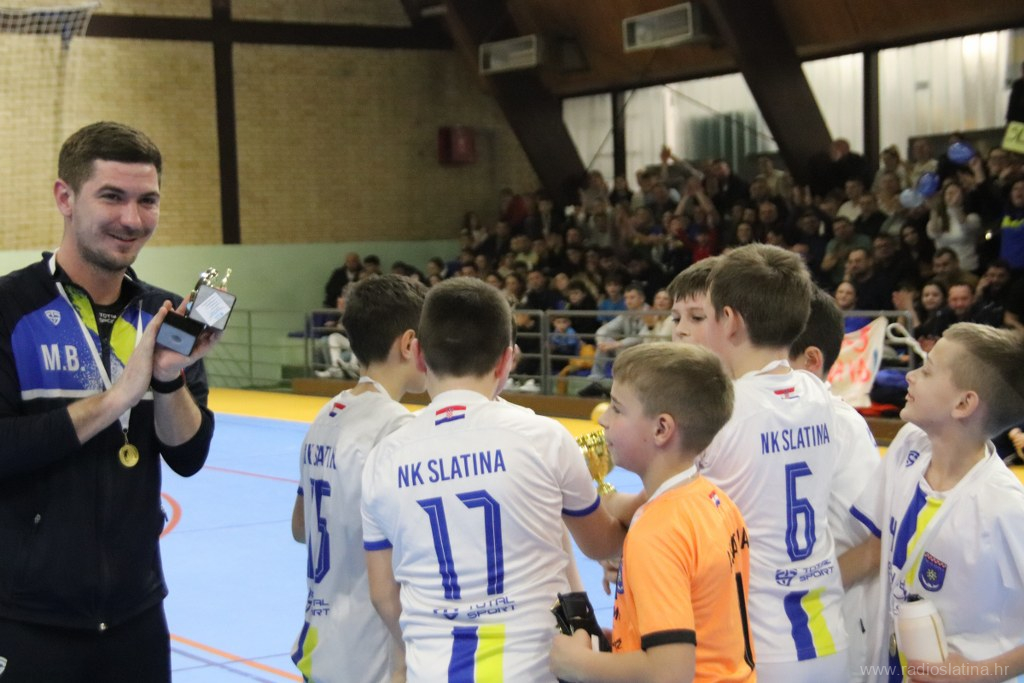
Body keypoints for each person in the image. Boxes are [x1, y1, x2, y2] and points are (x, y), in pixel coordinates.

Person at [0, 121, 219, 681]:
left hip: (135, 615)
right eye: (112, 197)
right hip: (24, 617)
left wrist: (166, 380)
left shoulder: (164, 316)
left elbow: (188, 456)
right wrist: (121, 395)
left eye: (148, 201)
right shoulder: (9, 309)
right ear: (65, 197)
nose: (132, 219)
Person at [361, 277, 640, 682]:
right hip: (535, 668)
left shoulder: (384, 457)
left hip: (434, 669)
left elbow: (383, 595)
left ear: (419, 354)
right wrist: (646, 496)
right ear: (507, 360)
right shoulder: (542, 438)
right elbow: (602, 543)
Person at [549, 343, 754, 683]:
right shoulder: (716, 501)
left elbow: (670, 672)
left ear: (661, 429)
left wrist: (579, 663)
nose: (603, 419)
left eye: (617, 409)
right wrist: (624, 641)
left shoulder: (657, 532)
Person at [696, 244, 848, 681]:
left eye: (706, 316)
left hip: (756, 643)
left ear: (730, 320)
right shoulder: (817, 394)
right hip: (829, 634)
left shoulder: (722, 410)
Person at [841, 324, 1024, 682]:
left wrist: (978, 673)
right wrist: (803, 589)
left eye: (926, 370)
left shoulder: (1004, 507)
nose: (910, 376)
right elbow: (876, 548)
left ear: (964, 403)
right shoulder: (910, 444)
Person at [290, 275, 426, 683]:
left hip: (320, 641)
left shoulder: (327, 414)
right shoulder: (397, 428)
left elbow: (300, 527)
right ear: (409, 344)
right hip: (371, 653)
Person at [788, 288, 881, 683]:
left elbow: (876, 545)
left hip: (828, 625)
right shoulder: (753, 421)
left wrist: (797, 592)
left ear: (810, 361)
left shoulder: (841, 427)